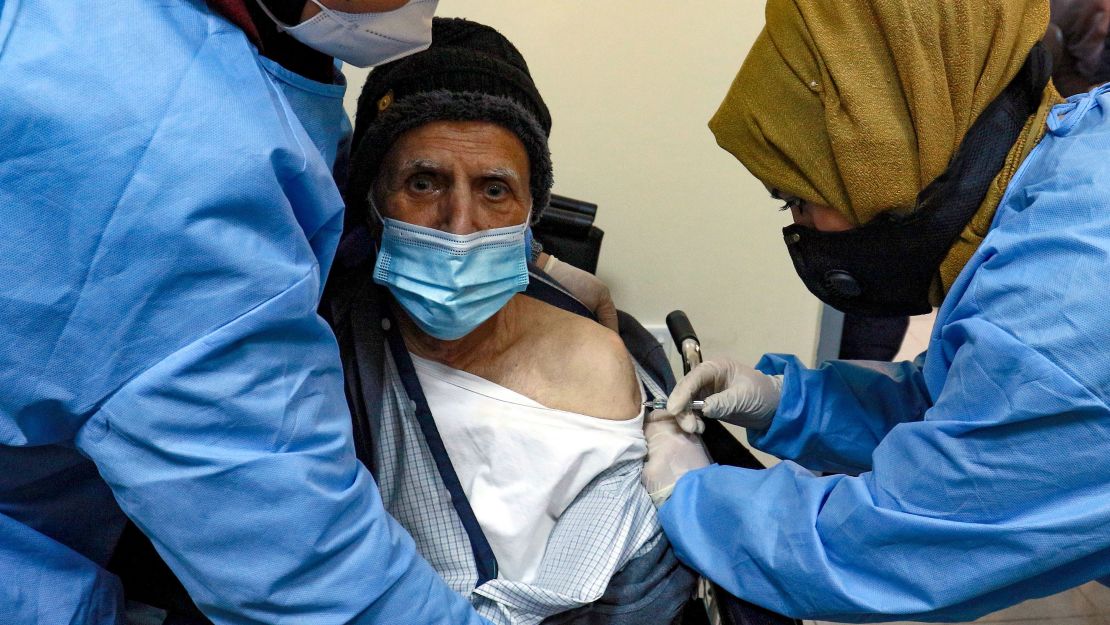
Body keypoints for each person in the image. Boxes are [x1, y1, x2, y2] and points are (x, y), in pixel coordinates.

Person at [0, 1, 514, 623]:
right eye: (425, 184)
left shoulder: (230, 49)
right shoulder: (168, 170)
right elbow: (314, 576)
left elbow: (295, 189)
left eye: (496, 191)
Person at [649, 0, 1110, 622]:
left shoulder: (1063, 291)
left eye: (800, 196)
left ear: (883, 152)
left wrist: (692, 496)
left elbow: (895, 545)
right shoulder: (1065, 165)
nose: (800, 227)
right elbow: (964, 403)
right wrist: (786, 400)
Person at [321, 18, 701, 625]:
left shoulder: (595, 363)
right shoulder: (327, 356)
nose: (459, 223)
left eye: (495, 189)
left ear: (530, 215)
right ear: (371, 200)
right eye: (423, 182)